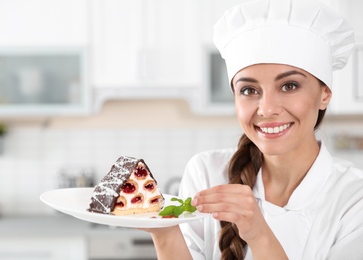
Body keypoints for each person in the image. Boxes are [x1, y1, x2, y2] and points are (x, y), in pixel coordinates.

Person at [147, 0, 363, 259]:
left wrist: (259, 234)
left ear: (324, 94)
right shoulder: (205, 172)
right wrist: (164, 231)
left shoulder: (354, 199)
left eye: (289, 86)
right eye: (249, 90)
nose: (267, 109)